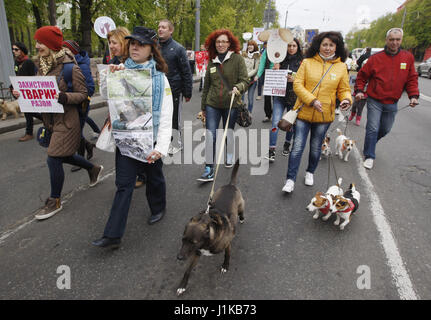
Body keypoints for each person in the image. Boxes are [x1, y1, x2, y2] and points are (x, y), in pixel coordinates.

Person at [92, 26, 173, 248]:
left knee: (154, 179)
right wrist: (110, 76)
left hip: (150, 140)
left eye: (141, 44)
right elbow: (106, 97)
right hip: (126, 140)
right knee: (124, 185)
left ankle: (158, 207)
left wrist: (161, 147)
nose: (135, 47)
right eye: (133, 43)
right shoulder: (120, 70)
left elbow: (166, 116)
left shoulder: (160, 80)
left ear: (151, 50)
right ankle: (113, 235)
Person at [12, 26, 103, 220]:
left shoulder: (71, 67)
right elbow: (38, 93)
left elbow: (83, 94)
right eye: (36, 42)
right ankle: (93, 169)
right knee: (63, 155)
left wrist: (63, 96)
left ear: (52, 44)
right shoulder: (42, 66)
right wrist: (22, 95)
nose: (36, 46)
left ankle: (54, 201)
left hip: (68, 122)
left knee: (53, 157)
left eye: (40, 42)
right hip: (50, 121)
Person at [282, 31, 352, 193]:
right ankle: (290, 180)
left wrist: (346, 99)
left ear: (337, 47)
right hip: (303, 113)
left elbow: (344, 90)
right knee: (297, 147)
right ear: (318, 46)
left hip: (324, 116)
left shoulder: (341, 67)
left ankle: (310, 172)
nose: (327, 48)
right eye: (324, 44)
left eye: (331, 45)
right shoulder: (306, 62)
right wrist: (312, 100)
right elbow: (297, 85)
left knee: (315, 148)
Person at [355, 28, 419, 170]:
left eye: (397, 40)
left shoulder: (407, 57)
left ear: (401, 40)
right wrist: (359, 90)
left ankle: (369, 144)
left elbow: (412, 79)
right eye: (391, 39)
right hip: (375, 99)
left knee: (384, 129)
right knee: (372, 127)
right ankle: (369, 155)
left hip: (392, 102)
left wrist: (413, 96)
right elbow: (362, 76)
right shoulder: (375, 58)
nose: (394, 42)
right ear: (387, 40)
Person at [198, 29, 249, 182]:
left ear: (229, 43)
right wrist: (203, 108)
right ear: (214, 44)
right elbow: (206, 86)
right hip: (212, 104)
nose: (221, 44)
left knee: (229, 133)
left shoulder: (237, 59)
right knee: (210, 135)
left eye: (224, 42)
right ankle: (209, 168)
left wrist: (238, 87)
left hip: (231, 104)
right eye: (218, 42)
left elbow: (245, 81)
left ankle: (229, 154)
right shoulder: (212, 60)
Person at [158, 19, 193, 155]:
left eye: (164, 27)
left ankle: (176, 144)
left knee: (173, 118)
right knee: (161, 119)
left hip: (174, 90)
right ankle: (163, 143)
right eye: (159, 27)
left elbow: (186, 71)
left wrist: (187, 92)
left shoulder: (178, 48)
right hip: (158, 90)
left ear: (170, 30)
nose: (160, 29)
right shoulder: (154, 47)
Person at [265, 38, 303, 162]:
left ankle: (287, 144)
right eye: (289, 46)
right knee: (275, 122)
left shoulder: (303, 62)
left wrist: (295, 79)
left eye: (294, 46)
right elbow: (271, 76)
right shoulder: (279, 60)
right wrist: (275, 69)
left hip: (294, 98)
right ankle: (271, 150)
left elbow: (306, 79)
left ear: (298, 47)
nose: (291, 48)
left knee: (290, 124)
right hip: (279, 96)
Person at [62, 40, 98, 171]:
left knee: (76, 132)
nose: (62, 52)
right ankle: (88, 146)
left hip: (80, 104)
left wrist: (75, 95)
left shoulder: (81, 66)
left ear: (72, 51)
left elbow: (90, 88)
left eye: (65, 49)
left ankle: (80, 158)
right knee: (74, 131)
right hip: (68, 104)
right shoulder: (63, 64)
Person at [11, 42, 40, 142]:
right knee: (29, 111)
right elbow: (17, 74)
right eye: (13, 49)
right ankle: (47, 123)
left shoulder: (28, 62)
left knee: (30, 111)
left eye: (16, 49)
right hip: (21, 90)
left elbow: (33, 77)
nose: (14, 51)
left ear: (22, 50)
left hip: (29, 91)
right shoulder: (16, 62)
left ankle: (29, 133)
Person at [241, 40, 260, 113]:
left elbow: (255, 69)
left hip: (252, 80)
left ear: (254, 46)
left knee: (250, 99)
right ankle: (242, 113)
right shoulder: (243, 54)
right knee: (241, 99)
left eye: (251, 45)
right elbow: (241, 66)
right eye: (249, 45)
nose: (250, 46)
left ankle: (249, 113)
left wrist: (247, 75)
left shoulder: (257, 56)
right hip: (243, 80)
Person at [255, 42, 273, 122]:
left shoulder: (280, 50)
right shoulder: (265, 52)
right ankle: (268, 115)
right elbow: (262, 64)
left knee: (277, 99)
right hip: (268, 76)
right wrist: (258, 75)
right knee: (267, 97)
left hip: (278, 77)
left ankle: (276, 115)